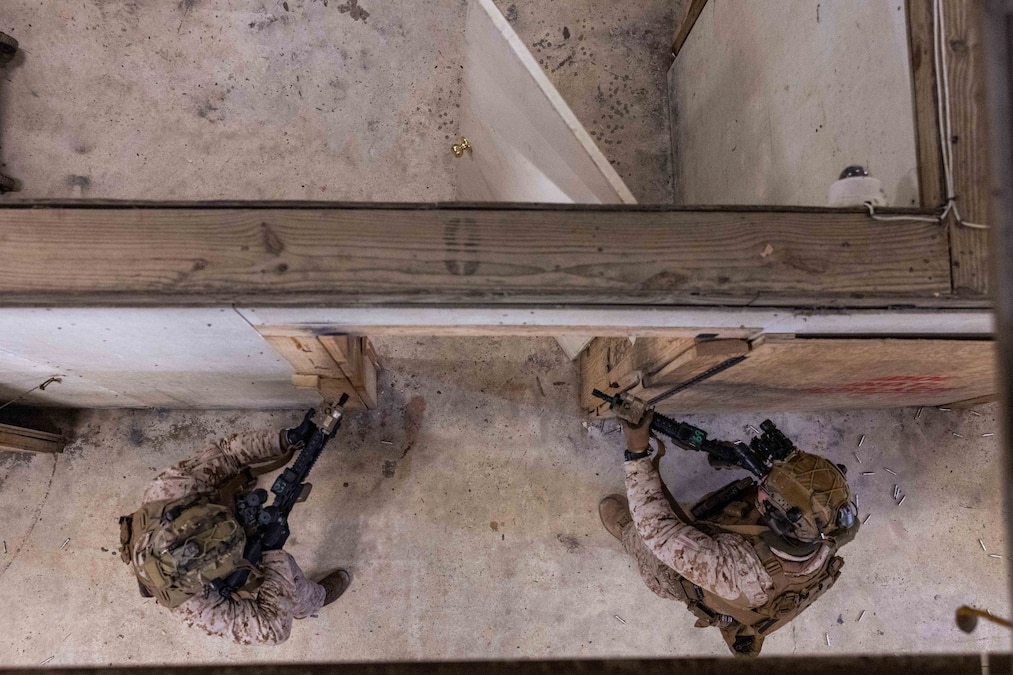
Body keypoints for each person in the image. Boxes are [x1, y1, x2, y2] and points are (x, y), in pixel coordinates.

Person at [598, 402, 859, 657]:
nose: (762, 486)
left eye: (767, 491)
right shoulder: (832, 521)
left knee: (650, 549)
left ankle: (625, 532)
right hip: (763, 566)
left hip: (717, 580)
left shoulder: (737, 573)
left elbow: (657, 529)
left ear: (778, 520)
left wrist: (637, 450)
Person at [118, 416, 351, 645]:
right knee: (284, 569)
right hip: (221, 576)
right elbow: (273, 630)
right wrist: (273, 555)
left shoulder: (168, 491)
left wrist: (285, 439)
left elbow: (227, 452)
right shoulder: (193, 608)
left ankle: (224, 506)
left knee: (222, 474)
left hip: (196, 510)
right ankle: (311, 602)